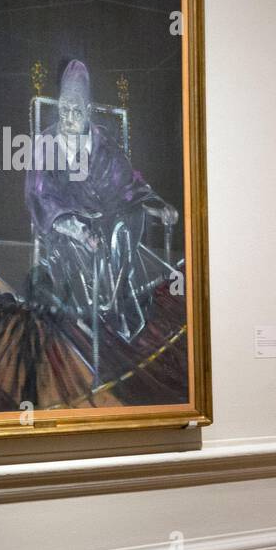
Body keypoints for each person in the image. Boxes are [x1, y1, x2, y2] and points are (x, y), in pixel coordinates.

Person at [26, 59, 179, 343]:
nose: (69, 117)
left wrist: (154, 205)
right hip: (67, 226)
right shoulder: (45, 144)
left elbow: (126, 183)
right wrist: (77, 229)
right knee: (87, 246)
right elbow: (40, 194)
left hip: (105, 218)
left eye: (76, 111)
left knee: (127, 223)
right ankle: (91, 316)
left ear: (88, 111)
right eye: (64, 109)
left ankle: (119, 308)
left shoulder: (102, 141)